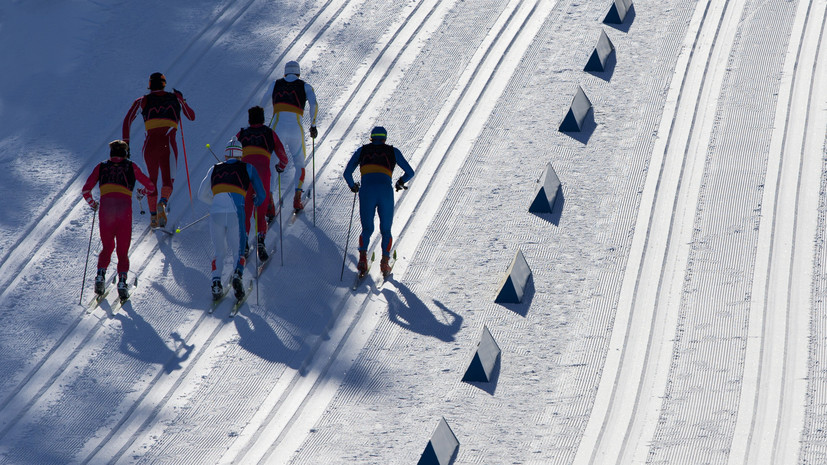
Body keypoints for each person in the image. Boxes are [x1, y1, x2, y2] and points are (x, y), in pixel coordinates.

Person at [82, 140, 156, 300]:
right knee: (122, 251)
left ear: (111, 153)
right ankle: (122, 282)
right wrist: (141, 193)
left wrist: (93, 204)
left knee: (107, 247)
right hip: (124, 211)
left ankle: (100, 276)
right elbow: (151, 186)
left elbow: (86, 190)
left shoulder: (101, 166)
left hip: (106, 211)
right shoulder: (131, 166)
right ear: (125, 153)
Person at [122, 72, 196, 229]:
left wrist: (126, 143)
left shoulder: (143, 100)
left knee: (152, 181)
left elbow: (127, 120)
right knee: (169, 179)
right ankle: (162, 203)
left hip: (149, 145)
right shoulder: (175, 98)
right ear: (164, 84)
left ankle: (153, 218)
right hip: (168, 144)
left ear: (149, 85)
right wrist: (182, 100)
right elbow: (191, 116)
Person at [197, 138, 266, 300]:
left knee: (219, 251)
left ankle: (215, 283)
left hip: (216, 213)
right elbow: (261, 194)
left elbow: (201, 194)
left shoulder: (214, 168)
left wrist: (215, 202)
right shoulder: (248, 167)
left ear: (226, 155)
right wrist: (256, 201)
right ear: (241, 155)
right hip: (236, 212)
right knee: (238, 250)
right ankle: (237, 276)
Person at [342, 126, 415, 277]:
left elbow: (347, 172)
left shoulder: (362, 151)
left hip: (366, 191)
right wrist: (400, 182)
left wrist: (353, 186)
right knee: (386, 230)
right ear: (385, 138)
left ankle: (363, 259)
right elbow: (410, 172)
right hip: (385, 192)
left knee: (367, 229)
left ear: (371, 137)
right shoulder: (393, 151)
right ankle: (384, 263)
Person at [236, 106, 288, 262]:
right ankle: (260, 241)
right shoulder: (269, 133)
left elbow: (231, 152)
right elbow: (283, 155)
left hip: (245, 174)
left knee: (245, 209)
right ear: (263, 119)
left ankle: (244, 243)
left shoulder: (241, 134)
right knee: (261, 208)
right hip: (262, 173)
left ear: (249, 119)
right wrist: (281, 166)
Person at [269, 60, 318, 214]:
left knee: (273, 164)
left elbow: (261, 103)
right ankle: (297, 198)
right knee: (299, 163)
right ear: (298, 73)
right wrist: (313, 125)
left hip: (277, 129)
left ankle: (270, 202)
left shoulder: (275, 84)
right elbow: (314, 104)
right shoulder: (305, 86)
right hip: (296, 129)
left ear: (285, 72)